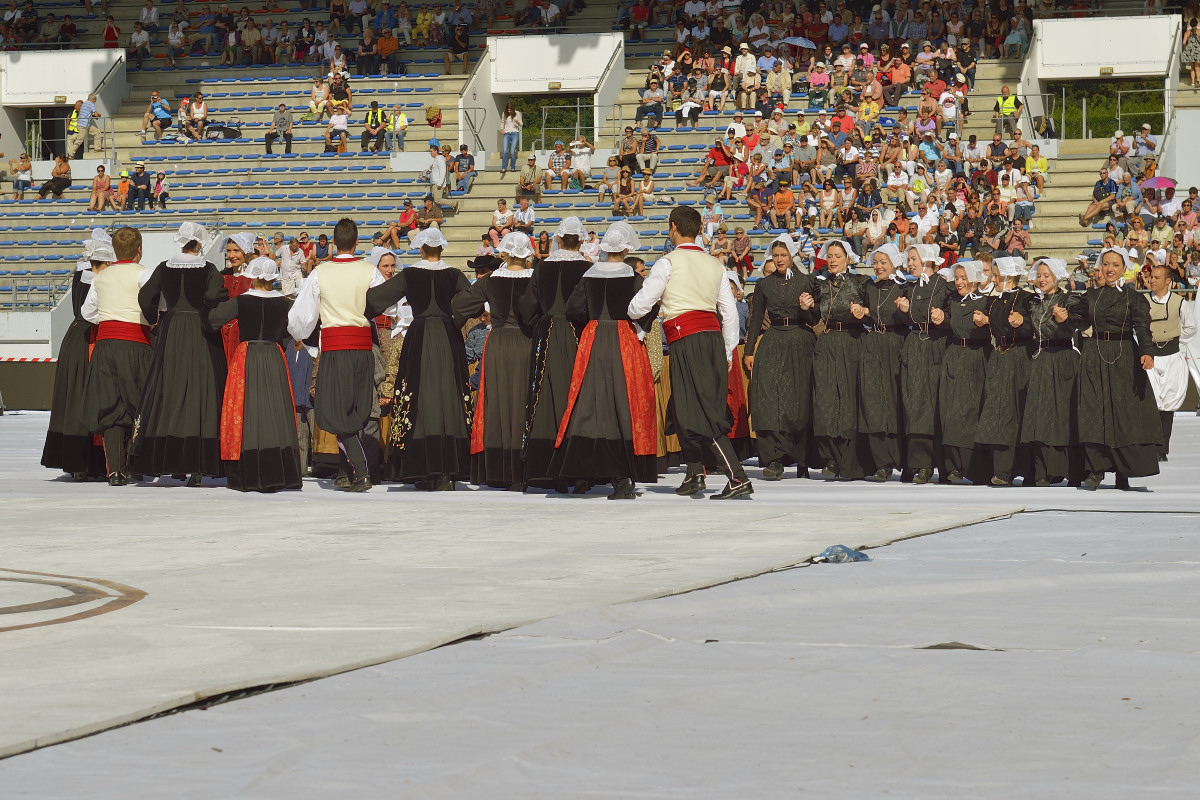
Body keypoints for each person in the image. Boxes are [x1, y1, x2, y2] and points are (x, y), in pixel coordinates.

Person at [627, 206, 752, 499]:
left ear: (673, 228)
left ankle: (737, 477)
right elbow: (729, 313)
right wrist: (727, 352)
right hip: (712, 338)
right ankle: (695, 473)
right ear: (698, 229)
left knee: (703, 410)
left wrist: (633, 309)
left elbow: (639, 306)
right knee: (683, 407)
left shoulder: (667, 262)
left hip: (686, 339)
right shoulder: (715, 264)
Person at [549, 222, 659, 499]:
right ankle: (623, 475)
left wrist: (591, 322)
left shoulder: (589, 275)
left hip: (594, 338)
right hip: (623, 339)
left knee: (588, 403)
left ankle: (583, 473)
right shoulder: (633, 277)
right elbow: (650, 305)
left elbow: (574, 308)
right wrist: (639, 327)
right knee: (624, 404)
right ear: (625, 248)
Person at [365, 228, 473, 490]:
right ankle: (448, 470)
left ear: (421, 249)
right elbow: (474, 302)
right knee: (449, 396)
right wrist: (452, 320)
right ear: (442, 248)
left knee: (419, 395)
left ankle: (424, 469)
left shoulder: (411, 274)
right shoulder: (455, 274)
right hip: (447, 337)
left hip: (421, 335)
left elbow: (376, 299)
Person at [288, 218, 383, 492]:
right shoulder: (369, 271)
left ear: (332, 243)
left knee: (334, 410)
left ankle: (359, 472)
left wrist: (302, 337)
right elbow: (386, 307)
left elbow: (301, 317)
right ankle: (346, 471)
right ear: (356, 243)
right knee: (356, 411)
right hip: (362, 346)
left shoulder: (321, 272)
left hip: (335, 347)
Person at [130, 222, 227, 485]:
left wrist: (154, 319)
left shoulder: (163, 267)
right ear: (199, 243)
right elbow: (215, 296)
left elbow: (145, 297)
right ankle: (197, 466)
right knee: (200, 393)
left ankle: (169, 460)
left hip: (171, 331)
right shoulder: (208, 269)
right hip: (199, 331)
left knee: (168, 390)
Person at [206, 256, 303, 492]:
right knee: (275, 410)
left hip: (247, 355)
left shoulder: (242, 301)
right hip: (273, 355)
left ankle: (248, 470)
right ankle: (279, 470)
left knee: (247, 409)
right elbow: (300, 329)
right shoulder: (285, 302)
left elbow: (213, 320)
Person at [453, 232, 537, 491]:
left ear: (506, 252)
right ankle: (522, 469)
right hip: (525, 341)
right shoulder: (535, 279)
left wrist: (481, 311)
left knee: (498, 402)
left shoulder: (490, 280)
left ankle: (499, 469)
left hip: (498, 342)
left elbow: (459, 303)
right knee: (522, 400)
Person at [516, 217, 593, 489]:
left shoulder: (542, 266)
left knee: (545, 398)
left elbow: (527, 304)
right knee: (578, 397)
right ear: (581, 239)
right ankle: (580, 471)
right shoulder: (587, 267)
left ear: (559, 239)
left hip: (547, 332)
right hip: (576, 335)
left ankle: (547, 468)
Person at [1078, 247, 1163, 488]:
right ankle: (1095, 470)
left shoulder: (1133, 298)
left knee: (1124, 414)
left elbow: (1143, 328)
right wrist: (1064, 317)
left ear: (1124, 269)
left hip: (1124, 355)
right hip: (1094, 355)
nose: (1110, 269)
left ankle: (1123, 471)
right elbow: (1078, 320)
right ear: (1100, 267)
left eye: (1116, 265)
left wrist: (1147, 351)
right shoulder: (1091, 296)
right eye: (1106, 264)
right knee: (1094, 412)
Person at [80, 226, 154, 486]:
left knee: (110, 407)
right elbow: (158, 305)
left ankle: (115, 470)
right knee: (139, 404)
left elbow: (88, 313)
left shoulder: (100, 277)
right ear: (139, 250)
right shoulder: (144, 274)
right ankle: (135, 466)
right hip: (136, 343)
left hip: (106, 344)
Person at [743, 234, 819, 480]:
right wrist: (749, 349)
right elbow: (755, 319)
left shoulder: (806, 282)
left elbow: (814, 320)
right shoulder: (764, 285)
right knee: (770, 400)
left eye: (783, 255)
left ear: (792, 255)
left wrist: (807, 309)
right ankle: (773, 460)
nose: (779, 259)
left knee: (800, 399)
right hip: (773, 340)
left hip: (800, 340)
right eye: (775, 256)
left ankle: (803, 460)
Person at [41, 230, 110, 482]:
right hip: (90, 339)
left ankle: (78, 462)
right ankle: (92, 461)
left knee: (75, 399)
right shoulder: (95, 276)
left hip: (77, 338)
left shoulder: (81, 272)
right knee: (92, 397)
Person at [810, 239, 869, 480]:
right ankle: (830, 458)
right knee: (826, 400)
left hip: (853, 342)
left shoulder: (861, 282)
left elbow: (872, 309)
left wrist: (863, 311)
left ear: (848, 259)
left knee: (849, 400)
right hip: (828, 341)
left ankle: (850, 460)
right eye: (830, 256)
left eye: (838, 256)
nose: (833, 260)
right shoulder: (818, 284)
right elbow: (812, 312)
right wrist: (807, 308)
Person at [1020, 257, 1083, 486]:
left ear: (1057, 277)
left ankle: (1068, 470)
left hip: (1063, 359)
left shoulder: (1069, 299)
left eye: (1047, 275)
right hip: (1041, 359)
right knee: (1041, 416)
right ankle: (1043, 471)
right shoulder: (1033, 302)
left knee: (1062, 416)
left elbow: (1079, 323)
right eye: (1039, 275)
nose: (1042, 279)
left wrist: (1064, 320)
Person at [975, 255, 1034, 486]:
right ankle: (1002, 470)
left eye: (998, 275)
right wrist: (986, 321)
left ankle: (1028, 470)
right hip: (1000, 360)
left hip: (1020, 360)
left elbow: (1033, 325)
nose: (994, 279)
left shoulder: (1026, 298)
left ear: (1010, 276)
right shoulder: (995, 300)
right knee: (999, 415)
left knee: (1020, 413)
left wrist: (1023, 321)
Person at [895, 244, 951, 483]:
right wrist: (904, 311)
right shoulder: (911, 287)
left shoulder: (944, 286)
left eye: (913, 259)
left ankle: (939, 465)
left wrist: (944, 318)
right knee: (914, 407)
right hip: (915, 347)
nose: (909, 263)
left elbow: (951, 317)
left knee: (933, 408)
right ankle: (918, 463)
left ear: (927, 260)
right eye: (909, 259)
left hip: (936, 347)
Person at [856, 243, 909, 482]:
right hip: (873, 344)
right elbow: (867, 309)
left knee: (896, 403)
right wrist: (861, 311)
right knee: (874, 403)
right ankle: (881, 463)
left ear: (894, 264)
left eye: (883, 263)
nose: (878, 267)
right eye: (876, 262)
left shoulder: (904, 288)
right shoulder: (869, 287)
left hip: (896, 344)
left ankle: (903, 459)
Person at [938, 259, 991, 483]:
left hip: (975, 357)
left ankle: (972, 466)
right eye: (957, 278)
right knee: (949, 411)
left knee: (970, 413)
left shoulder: (986, 301)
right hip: (954, 356)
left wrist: (986, 323)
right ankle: (951, 465)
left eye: (964, 278)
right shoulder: (951, 301)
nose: (959, 282)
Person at [1143, 263, 1195, 461]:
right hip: (1151, 357)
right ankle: (1151, 445)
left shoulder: (1178, 302)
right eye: (1151, 277)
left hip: (1172, 356)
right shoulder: (1144, 301)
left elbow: (1190, 327)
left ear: (1167, 281)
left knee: (1168, 404)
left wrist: (1175, 341)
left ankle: (1162, 448)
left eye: (1156, 277)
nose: (1152, 280)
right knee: (1152, 402)